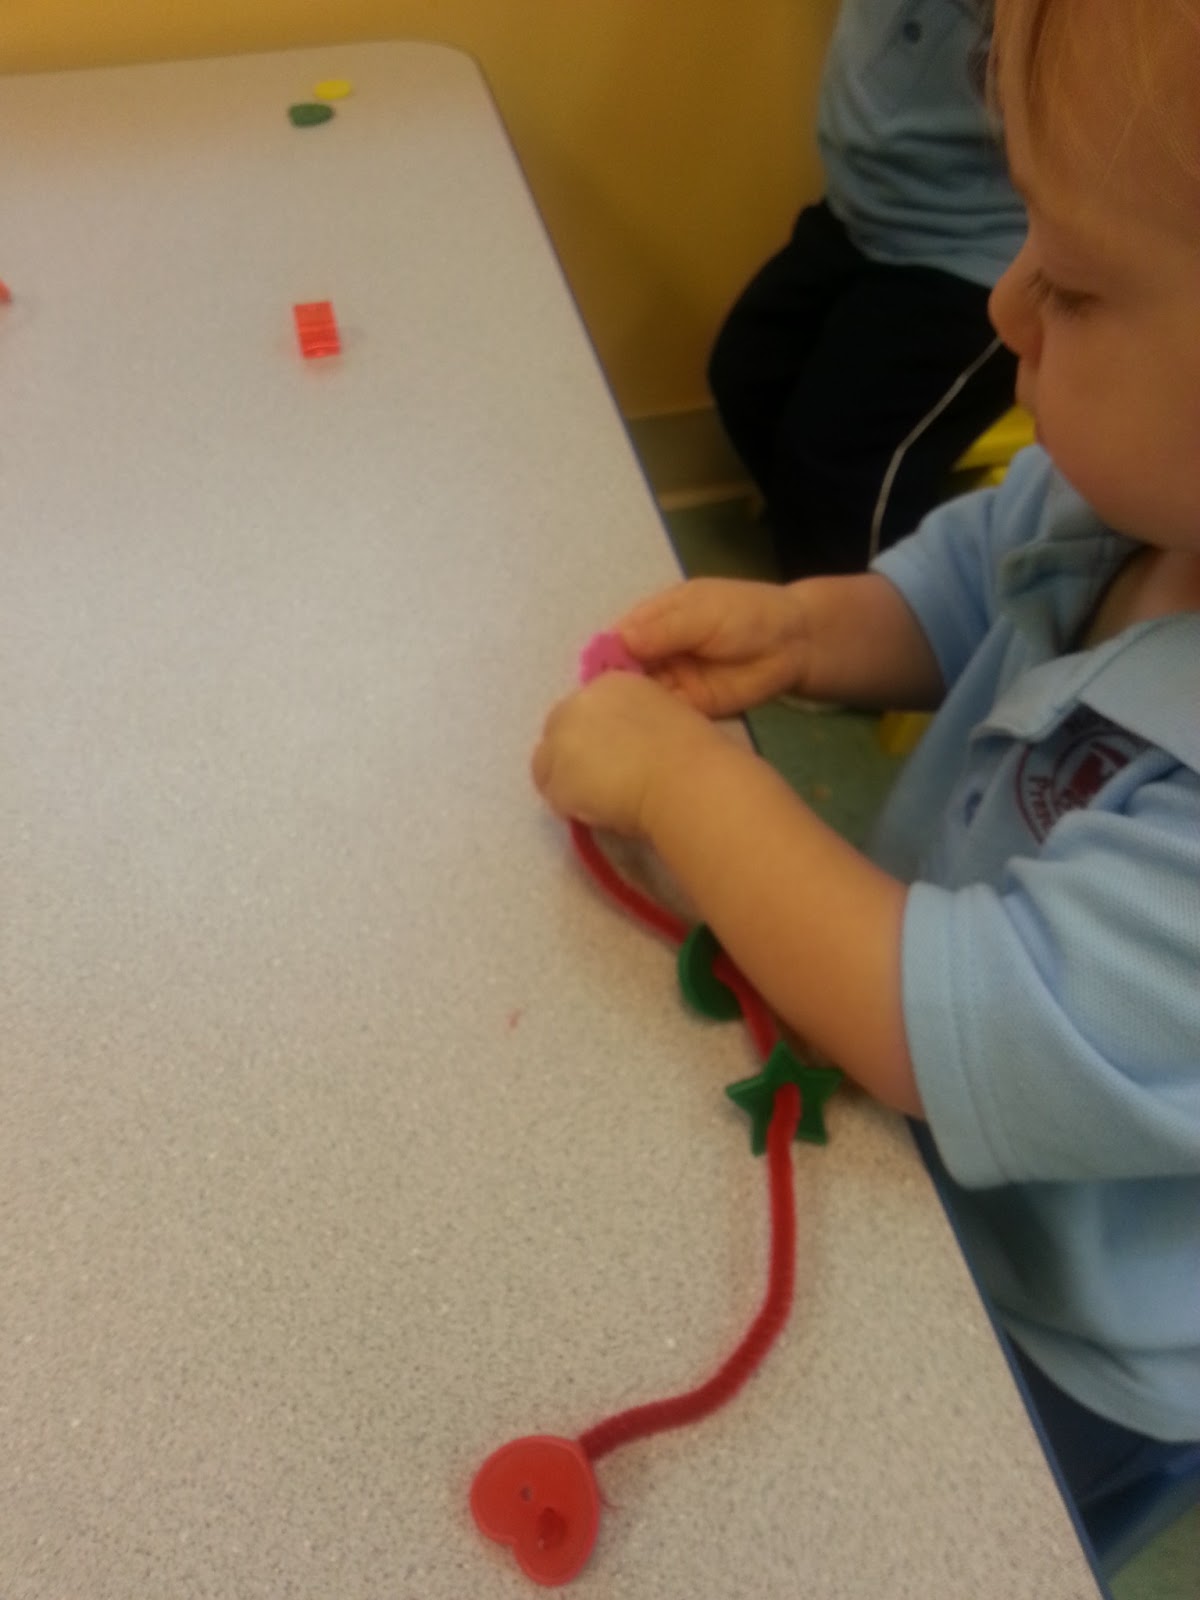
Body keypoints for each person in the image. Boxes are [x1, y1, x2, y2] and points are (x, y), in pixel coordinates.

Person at [532, 0, 1200, 1544]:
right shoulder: (1141, 487)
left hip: (1059, 1333)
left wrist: (684, 789)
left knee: (914, 1532)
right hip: (911, 1138)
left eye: (1079, 283)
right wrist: (812, 632)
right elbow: (979, 574)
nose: (1008, 307)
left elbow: (946, 1018)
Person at [708, 0, 1026, 579]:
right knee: (747, 372)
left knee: (839, 464)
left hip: (977, 254)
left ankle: (860, 634)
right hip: (866, 209)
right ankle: (814, 552)